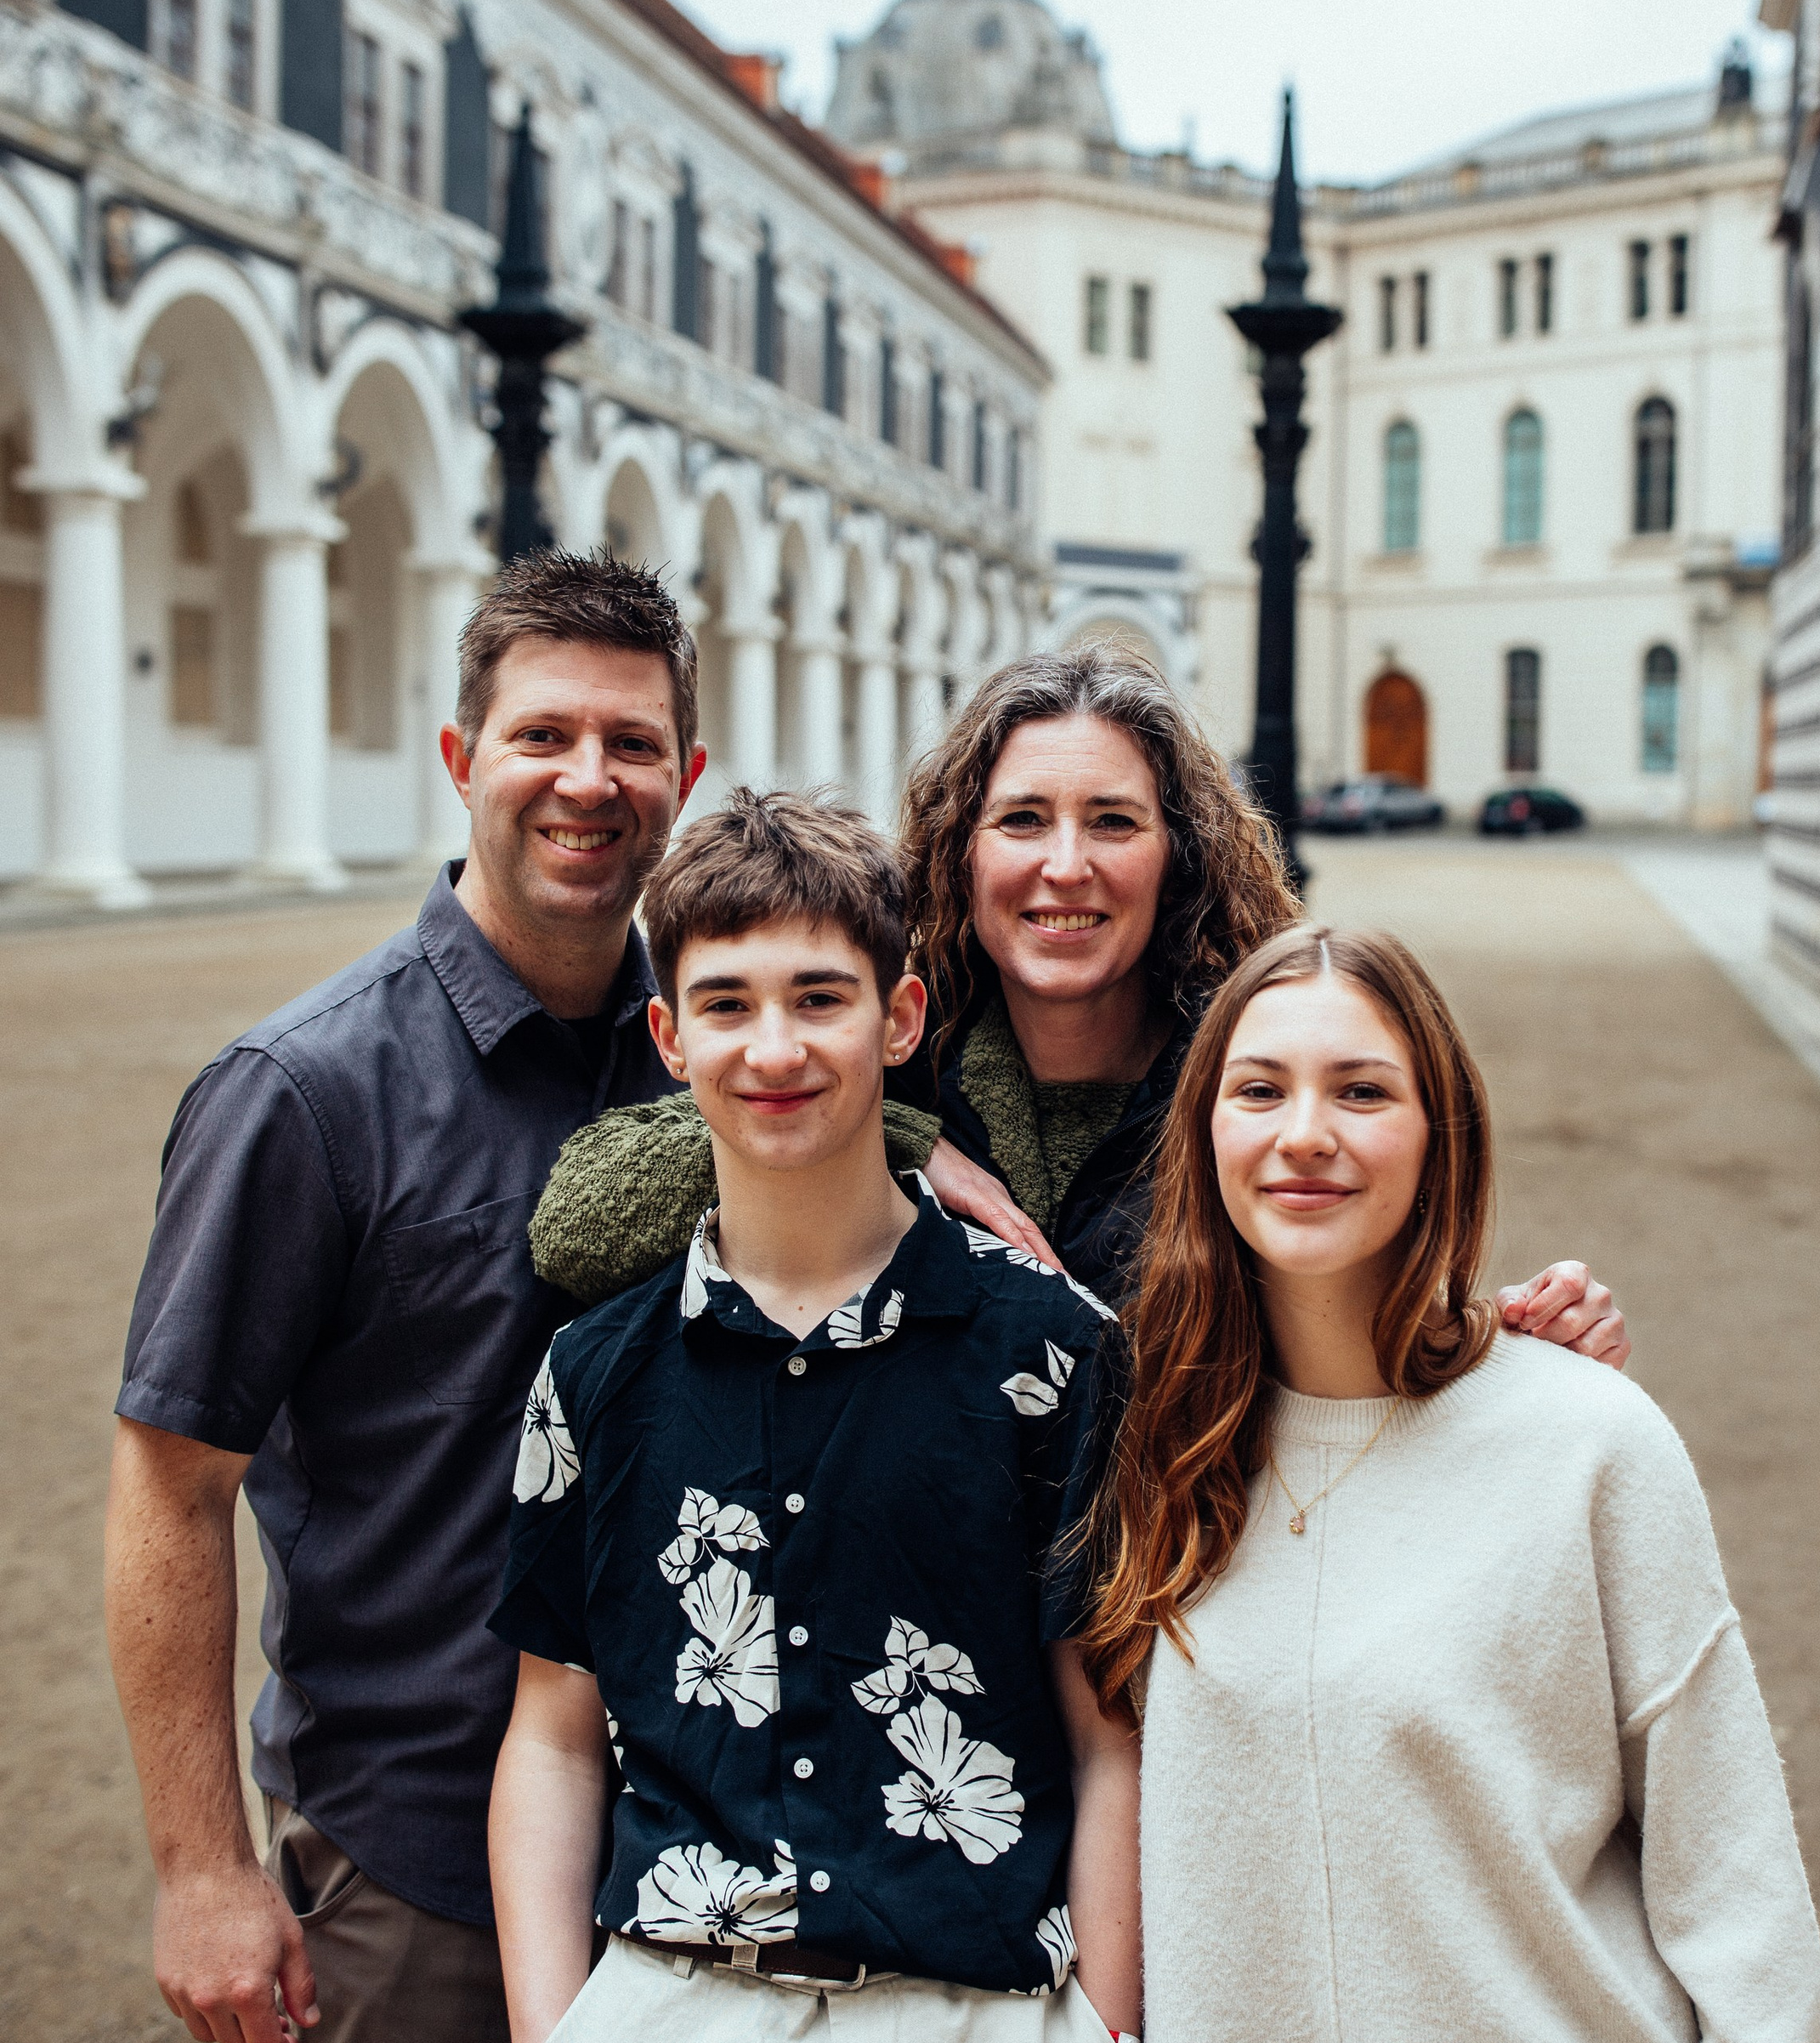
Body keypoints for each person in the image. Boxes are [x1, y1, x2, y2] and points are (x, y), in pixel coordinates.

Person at [105, 551, 707, 2043]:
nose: (589, 780)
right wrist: (201, 1870)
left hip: (693, 1844)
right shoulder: (302, 1092)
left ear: (685, 779)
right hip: (411, 1860)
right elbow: (171, 1486)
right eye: (543, 734)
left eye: (632, 743)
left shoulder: (715, 1056)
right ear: (461, 758)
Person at [1080, 923, 1820, 2043]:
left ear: (1442, 1134)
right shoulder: (1148, 1444)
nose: (1305, 1134)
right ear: (1204, 1132)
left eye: (1363, 1091)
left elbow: (1736, 1883)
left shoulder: (1589, 1442)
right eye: (1260, 1090)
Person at [487, 791, 1139, 2042]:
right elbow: (554, 1740)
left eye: (820, 998)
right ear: (671, 1038)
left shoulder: (1052, 1351)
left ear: (899, 1020)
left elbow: (1110, 1742)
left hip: (976, 2005)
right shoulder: (592, 1374)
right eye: (728, 1004)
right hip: (670, 1999)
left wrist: (1108, 2024)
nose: (774, 1049)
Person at [530, 644, 1629, 1359]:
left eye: (1112, 821)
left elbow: (1375, 1294)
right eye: (1022, 821)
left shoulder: (1246, 1080)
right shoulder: (883, 1053)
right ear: (961, 850)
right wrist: (901, 1137)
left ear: (1175, 852)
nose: (1066, 866)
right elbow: (580, 1223)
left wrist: (1517, 1333)